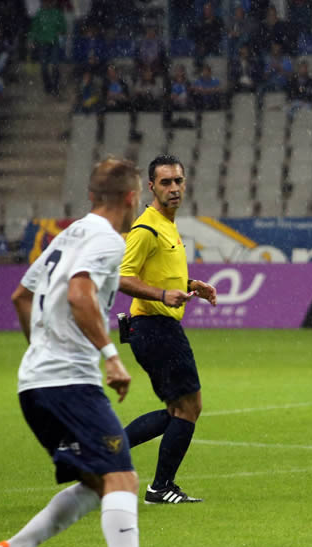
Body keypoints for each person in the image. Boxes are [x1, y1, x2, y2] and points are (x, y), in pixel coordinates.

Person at [0, 157, 191, 547]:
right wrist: (110, 358)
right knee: (122, 477)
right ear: (130, 197)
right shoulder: (104, 239)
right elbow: (80, 295)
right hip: (70, 382)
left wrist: (42, 351)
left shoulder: (70, 233)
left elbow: (21, 296)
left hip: (36, 382)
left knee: (100, 482)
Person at [118, 155, 218, 505]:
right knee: (189, 408)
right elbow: (122, 278)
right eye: (165, 182)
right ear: (151, 187)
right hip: (154, 327)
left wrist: (192, 284)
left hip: (155, 328)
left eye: (178, 181)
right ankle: (160, 486)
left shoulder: (167, 224)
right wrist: (162, 295)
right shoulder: (146, 228)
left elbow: (159, 274)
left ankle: (105, 451)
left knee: (179, 410)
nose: (173, 188)